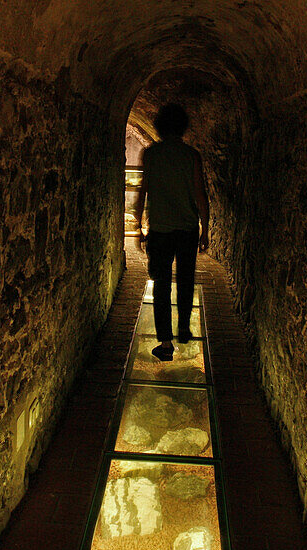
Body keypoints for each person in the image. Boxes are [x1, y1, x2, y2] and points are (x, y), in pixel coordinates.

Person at [133, 103, 210, 361]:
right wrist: (205, 228)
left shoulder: (151, 154)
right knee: (186, 279)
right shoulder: (192, 156)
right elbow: (200, 195)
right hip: (187, 229)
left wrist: (138, 227)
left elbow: (144, 190)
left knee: (162, 285)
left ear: (160, 126)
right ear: (184, 127)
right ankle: (184, 328)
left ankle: (166, 343)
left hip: (161, 230)